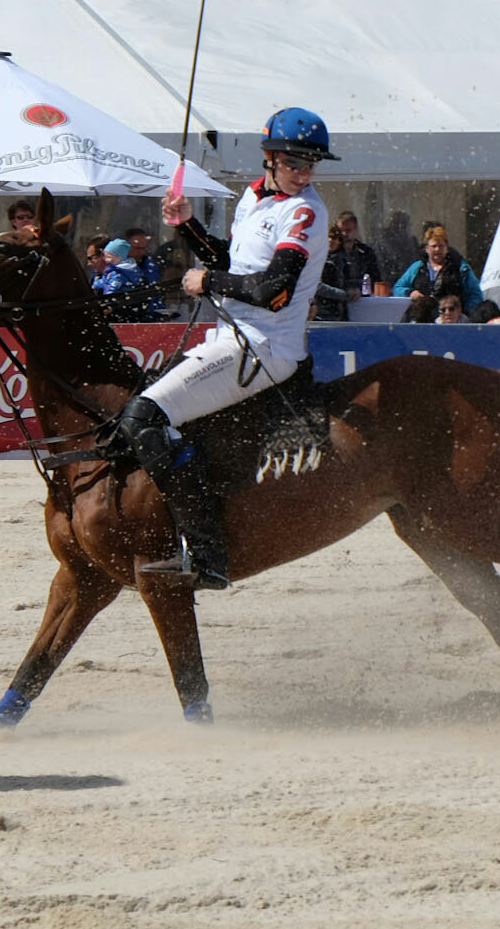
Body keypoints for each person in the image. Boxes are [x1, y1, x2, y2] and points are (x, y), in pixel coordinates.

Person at [116, 107, 336, 591]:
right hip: (230, 336)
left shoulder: (305, 211)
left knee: (143, 417)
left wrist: (206, 280)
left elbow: (272, 291)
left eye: (311, 164)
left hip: (265, 346)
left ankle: (208, 553)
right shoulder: (253, 198)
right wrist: (188, 226)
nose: (305, 173)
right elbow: (232, 259)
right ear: (269, 159)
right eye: (296, 162)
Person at [394, 225, 485, 312]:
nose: (437, 249)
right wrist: (410, 293)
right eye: (434, 246)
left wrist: (462, 312)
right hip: (421, 321)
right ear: (427, 249)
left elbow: (475, 295)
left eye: (441, 246)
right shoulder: (417, 268)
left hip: (451, 322)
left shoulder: (460, 268)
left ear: (447, 248)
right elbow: (397, 288)